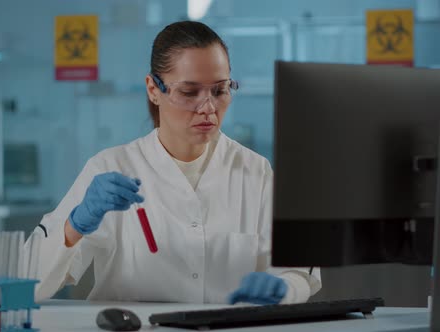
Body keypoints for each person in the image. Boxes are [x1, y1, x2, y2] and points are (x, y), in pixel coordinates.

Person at [27, 21, 321, 304]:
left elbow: (300, 271)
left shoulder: (254, 170)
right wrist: (74, 226)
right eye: (189, 92)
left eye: (220, 90)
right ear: (154, 90)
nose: (208, 108)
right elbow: (28, 285)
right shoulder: (110, 167)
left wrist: (284, 289)